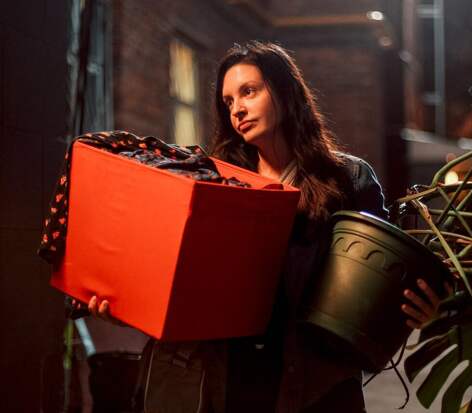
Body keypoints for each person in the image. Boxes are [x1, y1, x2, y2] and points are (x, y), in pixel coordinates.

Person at [87, 41, 446, 412]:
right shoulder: (215, 182)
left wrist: (419, 309)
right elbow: (183, 280)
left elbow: (383, 275)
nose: (237, 109)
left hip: (317, 389)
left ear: (285, 92)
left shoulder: (347, 179)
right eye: (228, 102)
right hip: (231, 382)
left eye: (249, 92)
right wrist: (128, 304)